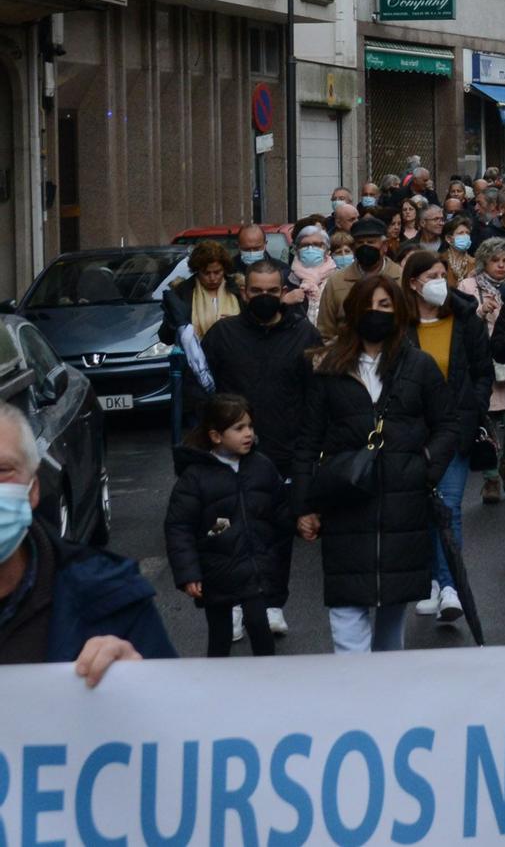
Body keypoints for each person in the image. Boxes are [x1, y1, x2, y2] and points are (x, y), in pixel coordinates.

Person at [294, 275, 457, 653]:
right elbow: (307, 442)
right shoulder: (329, 369)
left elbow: (447, 425)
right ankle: (354, 699)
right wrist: (305, 506)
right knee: (347, 613)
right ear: (352, 312)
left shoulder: (419, 366)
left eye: (385, 305)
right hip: (345, 502)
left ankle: (388, 699)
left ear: (398, 311)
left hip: (402, 506)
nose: (376, 312)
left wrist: (424, 467)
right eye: (368, 304)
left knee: (391, 614)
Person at [0, 402, 173, 677]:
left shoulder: (110, 598)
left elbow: (175, 708)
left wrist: (140, 679)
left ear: (33, 490)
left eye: (2, 471)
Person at [199, 260, 318, 637]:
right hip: (229, 456)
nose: (264, 297)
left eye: (272, 291)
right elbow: (200, 391)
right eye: (256, 291)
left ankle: (271, 604)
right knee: (229, 534)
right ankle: (235, 605)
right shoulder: (222, 335)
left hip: (284, 453)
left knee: (276, 535)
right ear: (244, 292)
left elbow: (318, 397)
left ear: (283, 291)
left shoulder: (304, 336)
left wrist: (311, 451)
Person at [401, 252, 495, 624]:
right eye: (431, 276)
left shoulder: (464, 320)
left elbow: (481, 371)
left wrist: (473, 409)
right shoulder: (399, 324)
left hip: (454, 429)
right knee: (421, 507)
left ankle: (451, 584)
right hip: (411, 432)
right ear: (412, 283)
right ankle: (434, 581)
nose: (440, 281)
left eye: (444, 274)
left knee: (449, 505)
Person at [165, 395, 287, 657]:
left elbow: (279, 510)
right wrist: (189, 573)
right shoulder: (195, 477)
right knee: (219, 636)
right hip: (216, 569)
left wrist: (298, 524)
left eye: (250, 427)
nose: (248, 434)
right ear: (216, 436)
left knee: (259, 625)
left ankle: (271, 683)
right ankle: (217, 689)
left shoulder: (261, 466)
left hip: (253, 566)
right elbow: (180, 528)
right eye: (239, 428)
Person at [159, 240, 240, 397]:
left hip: (234, 369)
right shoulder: (183, 292)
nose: (213, 278)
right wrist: (175, 321)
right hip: (195, 374)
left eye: (217, 272)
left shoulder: (237, 289)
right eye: (206, 273)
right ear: (197, 271)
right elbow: (165, 337)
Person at [317, 217, 402, 340]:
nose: (365, 247)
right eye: (360, 243)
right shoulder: (337, 281)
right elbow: (325, 331)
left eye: (371, 242)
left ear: (384, 246)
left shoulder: (401, 277)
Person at [289, 224, 338, 323]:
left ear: (327, 250)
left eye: (317, 245)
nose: (310, 249)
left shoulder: (338, 279)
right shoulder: (287, 280)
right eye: (305, 245)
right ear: (297, 250)